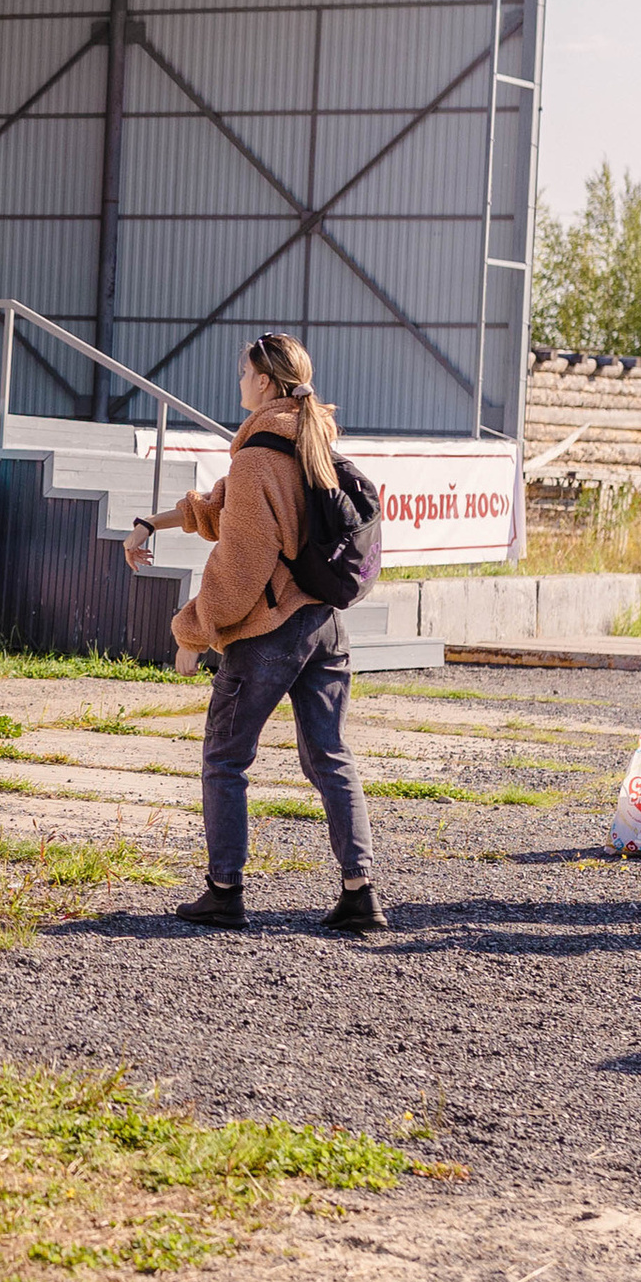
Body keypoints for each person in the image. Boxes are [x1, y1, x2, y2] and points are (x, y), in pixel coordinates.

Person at [124, 331, 385, 935]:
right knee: (331, 757)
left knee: (225, 757)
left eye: (244, 373)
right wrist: (150, 522)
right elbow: (218, 507)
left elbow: (239, 567)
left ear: (264, 383)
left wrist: (191, 633)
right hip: (325, 625)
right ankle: (360, 892)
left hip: (271, 630)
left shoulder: (258, 456)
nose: (238, 380)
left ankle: (224, 890)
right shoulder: (306, 439)